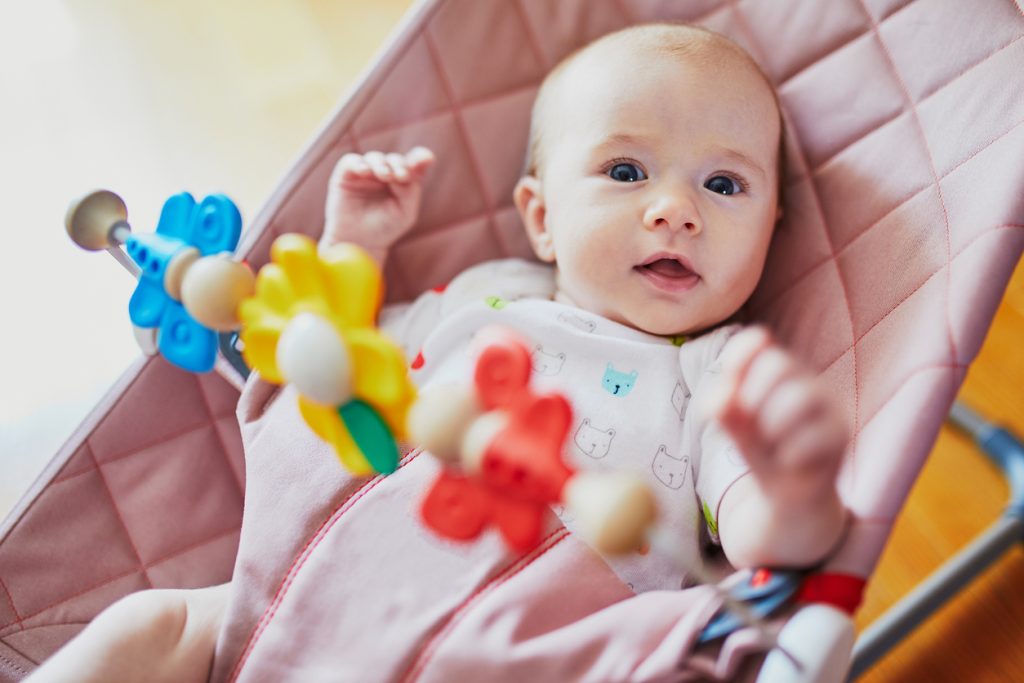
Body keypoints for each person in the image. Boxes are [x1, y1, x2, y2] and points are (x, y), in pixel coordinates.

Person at [29, 23, 848, 682]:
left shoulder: (717, 370)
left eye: (725, 185)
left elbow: (760, 538)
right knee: (152, 625)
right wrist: (357, 240)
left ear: (773, 229)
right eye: (627, 171)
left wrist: (796, 491)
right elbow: (339, 361)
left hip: (507, 633)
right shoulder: (489, 291)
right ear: (542, 217)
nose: (675, 210)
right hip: (293, 585)